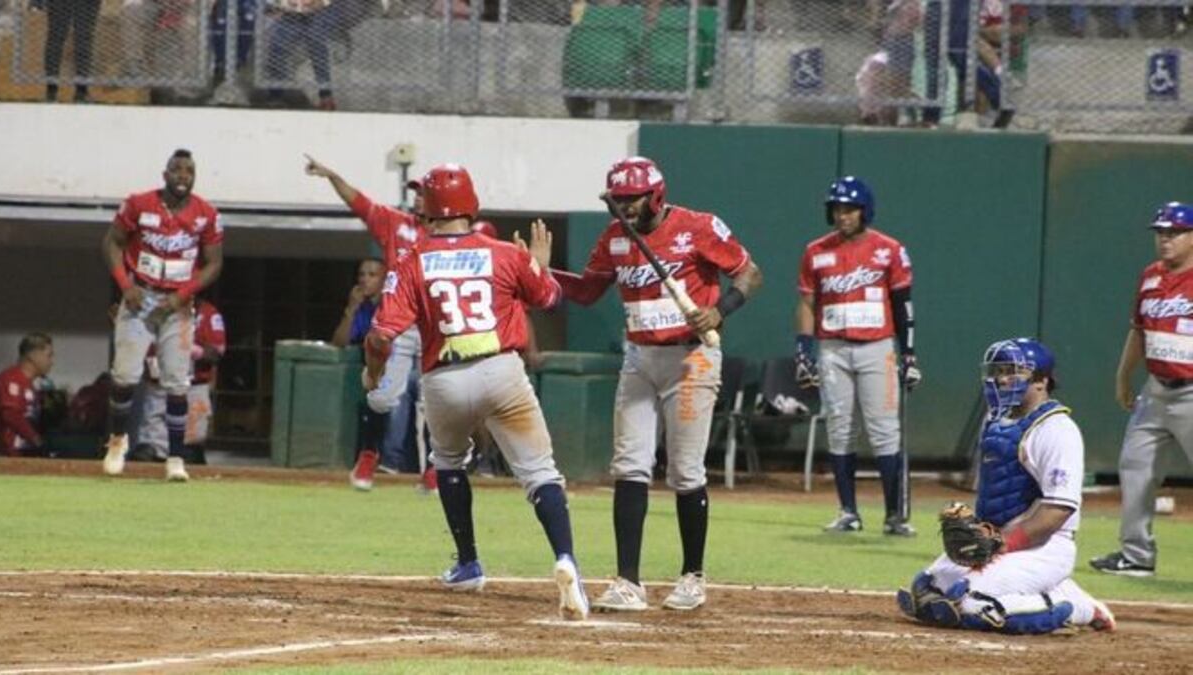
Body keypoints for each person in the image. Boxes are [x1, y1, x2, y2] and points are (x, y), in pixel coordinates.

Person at [363, 163, 588, 620]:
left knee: (447, 463)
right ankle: (566, 560)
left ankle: (468, 563)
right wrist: (538, 269)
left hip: (444, 378)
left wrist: (373, 375)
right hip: (501, 370)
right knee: (540, 473)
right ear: (470, 204)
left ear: (429, 209)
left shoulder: (410, 261)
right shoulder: (504, 252)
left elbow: (380, 337)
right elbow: (548, 299)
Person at [553, 156, 763, 612]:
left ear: (656, 195)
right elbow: (587, 292)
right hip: (639, 360)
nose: (624, 208)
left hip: (691, 359)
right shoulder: (613, 239)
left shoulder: (698, 227)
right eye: (618, 200)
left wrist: (720, 309)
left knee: (685, 471)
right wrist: (539, 272)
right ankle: (628, 582)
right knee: (629, 465)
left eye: (632, 199)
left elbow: (750, 273)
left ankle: (693, 577)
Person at [897, 338, 1116, 635]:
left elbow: (1057, 510)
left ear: (1041, 380)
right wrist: (981, 535)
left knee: (975, 605)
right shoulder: (995, 420)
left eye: (1012, 372)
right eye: (998, 371)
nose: (1001, 379)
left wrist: (1002, 543)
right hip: (1000, 542)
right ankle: (1048, 587)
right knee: (926, 591)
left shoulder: (1057, 429)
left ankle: (1076, 606)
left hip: (1045, 546)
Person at [796, 176, 920, 536]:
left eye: (849, 208)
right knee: (840, 428)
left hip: (877, 346)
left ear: (865, 211)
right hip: (832, 348)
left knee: (884, 430)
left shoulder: (889, 249)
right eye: (836, 208)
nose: (842, 215)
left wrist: (909, 352)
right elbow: (806, 302)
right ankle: (848, 510)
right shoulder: (816, 251)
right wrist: (803, 347)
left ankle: (894, 515)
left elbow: (903, 306)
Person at [305, 156, 429, 488]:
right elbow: (358, 202)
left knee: (438, 398)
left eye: (424, 194)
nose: (418, 198)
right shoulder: (396, 223)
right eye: (415, 193)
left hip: (437, 326)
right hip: (401, 324)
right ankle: (370, 453)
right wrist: (333, 174)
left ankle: (436, 469)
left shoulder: (456, 236)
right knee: (384, 396)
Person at [101, 148, 224, 482]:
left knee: (177, 382)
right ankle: (117, 442)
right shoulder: (139, 204)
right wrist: (125, 286)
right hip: (140, 297)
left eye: (189, 170)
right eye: (177, 169)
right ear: (165, 174)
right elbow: (111, 243)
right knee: (124, 376)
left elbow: (214, 262)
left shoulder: (206, 214)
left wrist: (183, 295)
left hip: (178, 305)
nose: (183, 175)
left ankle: (175, 458)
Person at [1091, 202, 1193, 578]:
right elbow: (1139, 330)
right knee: (1135, 468)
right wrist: (1123, 376)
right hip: (1156, 391)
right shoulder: (1150, 277)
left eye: (1175, 232)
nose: (1165, 240)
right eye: (1161, 233)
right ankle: (1136, 556)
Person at [130, 298, 226, 465]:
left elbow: (217, 353)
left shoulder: (208, 314)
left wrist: (191, 350)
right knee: (146, 453)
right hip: (157, 386)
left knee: (190, 453)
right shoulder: (153, 309)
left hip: (193, 387)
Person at [0, 333, 55, 456]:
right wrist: (35, 439)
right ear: (32, 356)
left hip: (22, 454)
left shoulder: (30, 385)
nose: (52, 362)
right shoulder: (10, 379)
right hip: (4, 456)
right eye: (49, 356)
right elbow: (10, 414)